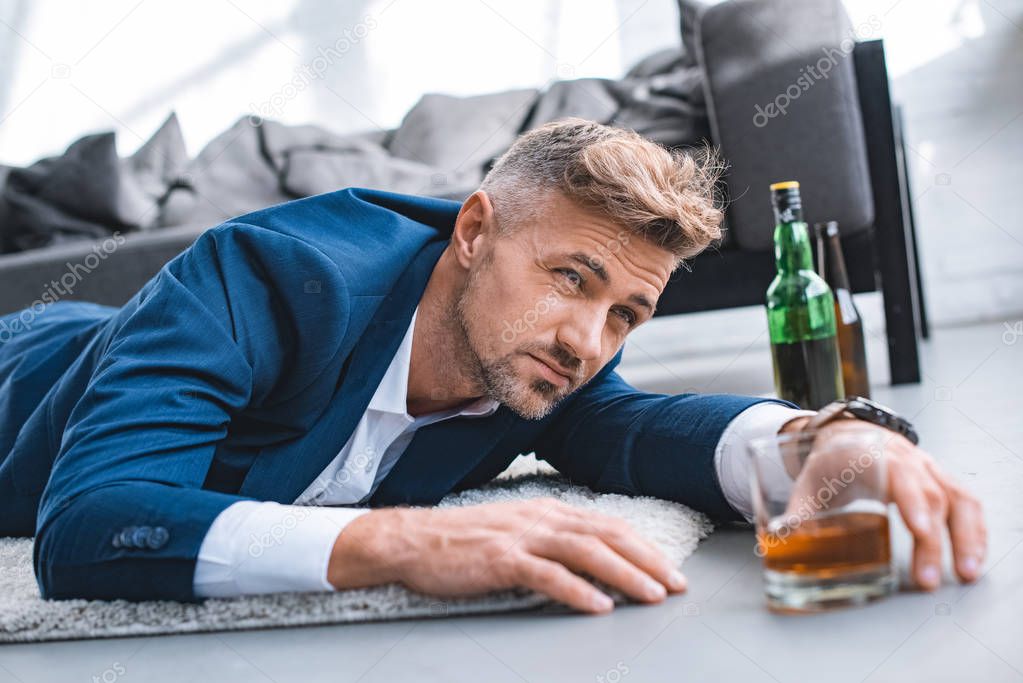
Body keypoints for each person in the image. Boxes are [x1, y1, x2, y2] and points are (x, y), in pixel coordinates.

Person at [0, 118, 985, 612]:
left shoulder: (538, 356)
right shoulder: (264, 277)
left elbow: (632, 426)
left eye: (626, 312)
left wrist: (821, 435)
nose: (585, 339)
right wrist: (392, 545)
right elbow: (85, 524)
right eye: (571, 277)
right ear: (474, 229)